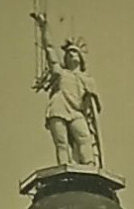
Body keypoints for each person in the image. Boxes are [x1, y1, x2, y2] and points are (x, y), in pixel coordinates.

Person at [31, 11, 101, 167]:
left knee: (84, 138)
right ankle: (64, 166)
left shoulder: (87, 79)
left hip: (77, 112)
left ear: (81, 58)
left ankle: (89, 166)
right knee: (61, 143)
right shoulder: (60, 72)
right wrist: (44, 27)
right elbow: (49, 49)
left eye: (74, 52)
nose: (71, 55)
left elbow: (93, 108)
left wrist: (91, 101)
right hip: (58, 108)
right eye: (68, 53)